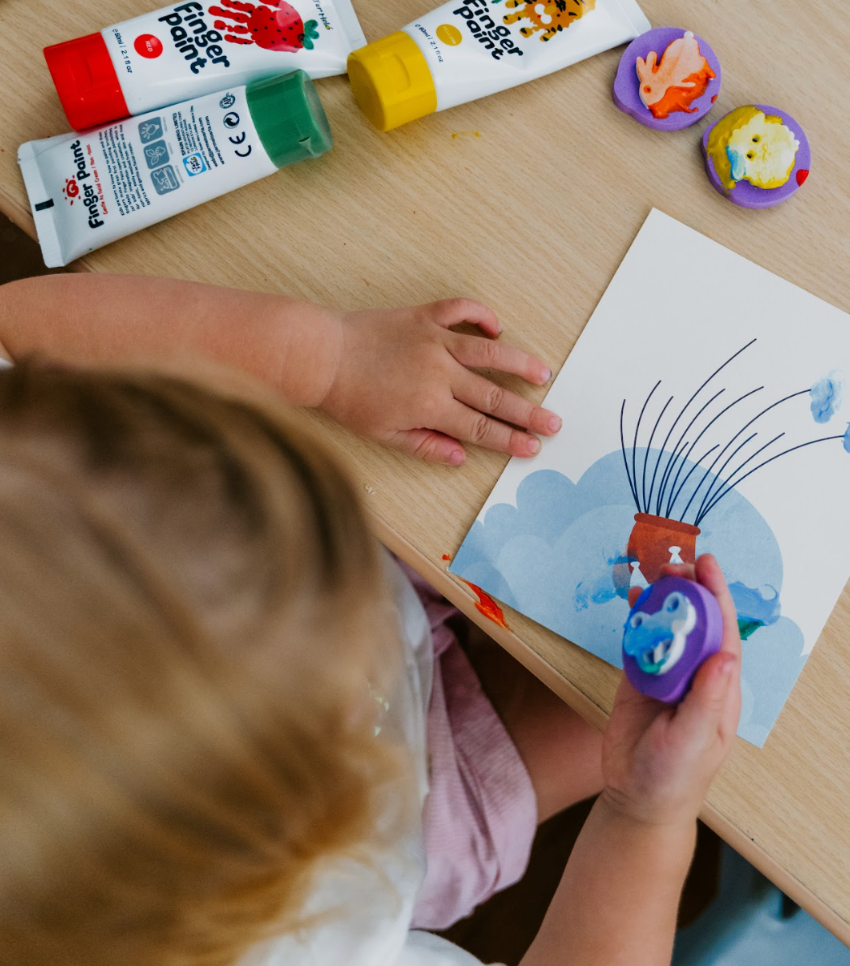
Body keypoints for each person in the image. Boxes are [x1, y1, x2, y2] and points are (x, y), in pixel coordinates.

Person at [0, 272, 741, 966]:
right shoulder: (323, 940)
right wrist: (644, 819)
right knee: (638, 719)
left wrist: (325, 355)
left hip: (364, 597)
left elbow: (13, 329)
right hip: (412, 810)